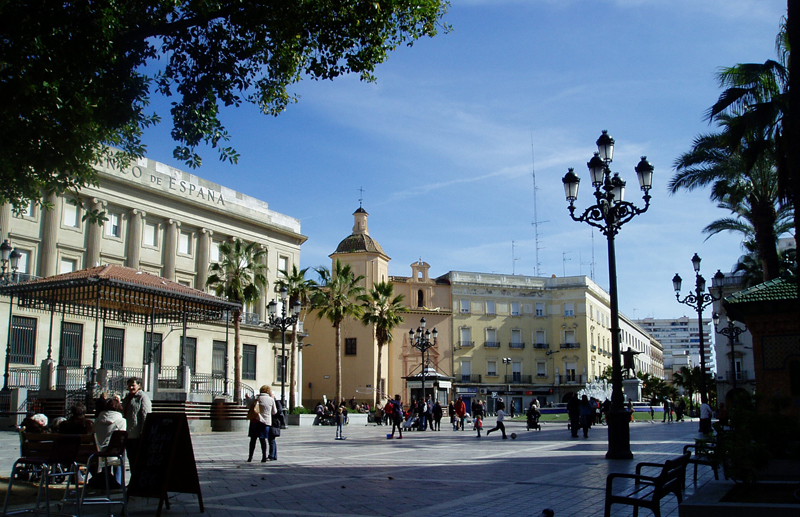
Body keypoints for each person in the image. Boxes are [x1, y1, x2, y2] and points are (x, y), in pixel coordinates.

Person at [90, 398, 126, 488]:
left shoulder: (97, 420)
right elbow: (121, 440)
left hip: (99, 453)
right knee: (120, 455)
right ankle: (118, 483)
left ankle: (106, 481)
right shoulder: (121, 421)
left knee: (107, 456)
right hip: (113, 453)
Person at [122, 376, 151, 475]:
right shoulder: (127, 398)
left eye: (133, 385)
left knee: (138, 460)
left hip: (137, 435)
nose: (131, 388)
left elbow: (146, 415)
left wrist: (144, 432)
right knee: (131, 459)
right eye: (129, 386)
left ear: (139, 385)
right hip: (127, 434)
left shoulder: (142, 397)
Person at [247, 385, 277, 462]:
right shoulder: (271, 400)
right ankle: (264, 457)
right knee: (263, 440)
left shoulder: (256, 398)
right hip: (266, 422)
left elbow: (249, 406)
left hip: (255, 421)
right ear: (268, 391)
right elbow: (274, 412)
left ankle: (250, 457)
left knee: (253, 440)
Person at [269, 393, 284, 461]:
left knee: (271, 439)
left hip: (274, 423)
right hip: (274, 422)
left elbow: (279, 411)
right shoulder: (275, 402)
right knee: (272, 440)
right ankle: (274, 455)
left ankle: (272, 455)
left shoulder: (276, 402)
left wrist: (274, 414)